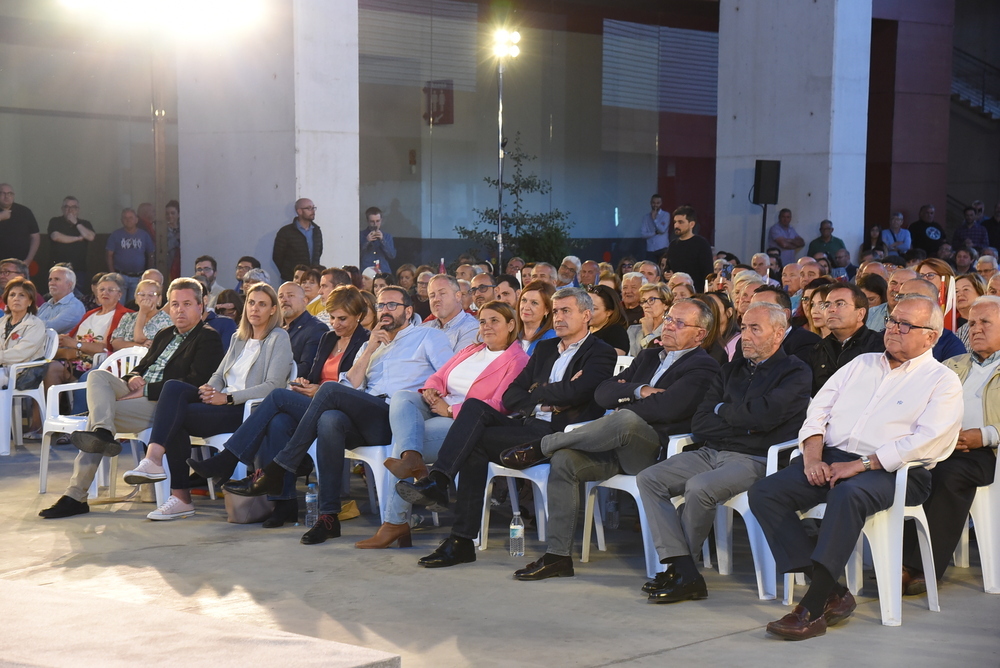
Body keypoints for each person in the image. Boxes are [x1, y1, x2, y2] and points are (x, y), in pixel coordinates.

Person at [749, 294, 963, 641]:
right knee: (765, 492)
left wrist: (863, 464)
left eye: (906, 325)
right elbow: (817, 411)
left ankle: (813, 607)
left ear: (931, 336)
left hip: (898, 471)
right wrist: (813, 456)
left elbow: (928, 441)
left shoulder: (942, 380)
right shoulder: (861, 363)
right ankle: (834, 589)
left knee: (848, 494)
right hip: (832, 458)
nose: (894, 329)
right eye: (893, 321)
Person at [214, 285, 452, 545]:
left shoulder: (427, 337)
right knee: (329, 420)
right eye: (381, 305)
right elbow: (351, 386)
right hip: (364, 416)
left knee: (319, 391)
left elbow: (446, 377)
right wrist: (370, 349)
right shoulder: (371, 344)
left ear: (408, 311)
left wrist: (435, 398)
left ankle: (276, 469)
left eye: (392, 305)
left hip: (396, 417)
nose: (384, 311)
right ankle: (328, 518)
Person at [399, 287, 618, 568]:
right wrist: (548, 395)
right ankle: (444, 492)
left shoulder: (600, 352)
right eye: (556, 311)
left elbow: (578, 393)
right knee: (476, 408)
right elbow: (512, 395)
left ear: (586, 315)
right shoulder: (546, 348)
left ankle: (458, 533)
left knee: (474, 444)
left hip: (560, 435)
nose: (559, 317)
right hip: (528, 423)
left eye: (567, 311)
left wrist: (538, 391)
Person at [504, 300, 722, 580]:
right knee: (565, 460)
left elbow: (668, 408)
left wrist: (625, 402)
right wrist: (640, 390)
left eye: (680, 323)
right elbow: (602, 392)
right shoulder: (648, 356)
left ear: (700, 335)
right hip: (614, 445)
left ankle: (542, 446)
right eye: (668, 319)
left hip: (656, 454)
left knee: (627, 419)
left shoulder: (703, 367)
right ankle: (557, 557)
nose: (668, 326)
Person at [635, 302, 811, 602]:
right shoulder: (731, 370)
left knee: (700, 487)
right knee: (649, 478)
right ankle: (683, 568)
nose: (745, 336)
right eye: (743, 328)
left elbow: (766, 418)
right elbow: (701, 422)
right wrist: (742, 420)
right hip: (710, 451)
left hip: (755, 459)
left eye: (755, 329)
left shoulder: (794, 371)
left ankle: (682, 574)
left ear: (778, 333)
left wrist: (726, 413)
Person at [39, 278, 224, 519]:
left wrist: (145, 390)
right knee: (97, 376)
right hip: (137, 393)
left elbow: (192, 383)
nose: (180, 310)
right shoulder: (165, 333)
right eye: (175, 304)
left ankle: (76, 495)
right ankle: (103, 433)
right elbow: (143, 366)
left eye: (187, 304)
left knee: (95, 421)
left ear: (202, 305)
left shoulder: (208, 337)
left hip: (165, 404)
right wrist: (133, 377)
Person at [190, 285, 370, 527]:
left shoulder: (365, 342)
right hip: (315, 402)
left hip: (340, 411)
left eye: (342, 319)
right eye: (332, 318)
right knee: (278, 422)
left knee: (275, 396)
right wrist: (307, 382)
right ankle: (284, 503)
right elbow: (314, 373)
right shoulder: (328, 338)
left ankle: (228, 458)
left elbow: (358, 387)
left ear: (358, 316)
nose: (335, 324)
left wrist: (319, 389)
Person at [360, 301, 529, 549]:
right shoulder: (471, 350)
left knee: (403, 445)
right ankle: (412, 466)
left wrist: (451, 410)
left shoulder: (517, 359)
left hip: (466, 423)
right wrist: (432, 390)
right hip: (435, 407)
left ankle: (395, 521)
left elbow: (501, 404)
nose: (487, 327)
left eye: (495, 321)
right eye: (482, 321)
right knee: (402, 397)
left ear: (511, 324)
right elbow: (440, 374)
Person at [121, 283, 293, 520]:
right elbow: (219, 375)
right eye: (251, 303)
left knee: (176, 418)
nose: (255, 309)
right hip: (221, 403)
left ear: (273, 310)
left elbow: (274, 386)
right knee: (173, 389)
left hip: (246, 410)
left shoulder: (278, 338)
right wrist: (210, 389)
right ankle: (159, 467)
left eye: (262, 304)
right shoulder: (239, 337)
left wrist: (228, 397)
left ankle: (176, 490)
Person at [901, 296, 1000, 594]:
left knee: (947, 476)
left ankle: (921, 567)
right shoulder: (951, 365)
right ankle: (898, 559)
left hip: (986, 453)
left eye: (986, 322)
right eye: (971, 323)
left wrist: (984, 435)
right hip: (942, 445)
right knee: (909, 472)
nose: (976, 329)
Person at [44, 273, 132, 391]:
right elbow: (71, 338)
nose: (105, 293)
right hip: (74, 358)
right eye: (101, 289)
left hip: (97, 363)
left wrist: (76, 345)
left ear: (119, 294)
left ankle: (51, 409)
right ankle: (49, 408)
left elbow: (107, 348)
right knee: (41, 365)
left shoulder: (125, 316)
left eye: (110, 290)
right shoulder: (90, 313)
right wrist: (63, 340)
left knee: (51, 369)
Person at [807, 283, 885, 394]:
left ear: (860, 314)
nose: (831, 309)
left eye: (840, 304)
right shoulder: (818, 349)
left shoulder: (880, 347)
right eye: (827, 304)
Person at [0, 278, 47, 390]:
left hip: (22, 372)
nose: (16, 298)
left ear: (30, 301)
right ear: (6, 300)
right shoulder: (2, 321)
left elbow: (21, 353)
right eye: (12, 295)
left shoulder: (35, 324)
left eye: (22, 295)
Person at [277, 281, 327, 376]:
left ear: (305, 301)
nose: (284, 300)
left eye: (290, 295)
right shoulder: (274, 328)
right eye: (280, 296)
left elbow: (307, 368)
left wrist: (275, 374)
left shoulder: (316, 328)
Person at [105, 208, 154, 303]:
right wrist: (113, 275)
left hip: (138, 277)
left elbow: (151, 254)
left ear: (136, 220)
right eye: (125, 218)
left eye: (131, 217)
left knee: (133, 306)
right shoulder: (116, 235)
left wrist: (146, 275)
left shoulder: (144, 235)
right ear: (121, 220)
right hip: (120, 277)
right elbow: (109, 255)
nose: (128, 220)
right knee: (119, 305)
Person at [109, 279, 173, 350]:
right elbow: (116, 342)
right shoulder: (128, 317)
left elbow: (139, 338)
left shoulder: (166, 320)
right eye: (142, 294)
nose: (146, 298)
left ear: (159, 299)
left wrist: (142, 312)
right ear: (136, 298)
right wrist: (140, 346)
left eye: (151, 295)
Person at [421, 274, 479, 351]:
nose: (436, 299)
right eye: (432, 295)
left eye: (442, 293)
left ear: (458, 296)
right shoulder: (422, 329)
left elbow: (456, 361)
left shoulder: (473, 328)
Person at [47, 196, 95, 286]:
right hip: (58, 269)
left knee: (79, 297)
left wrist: (76, 223)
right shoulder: (55, 221)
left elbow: (91, 237)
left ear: (78, 210)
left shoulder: (85, 223)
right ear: (62, 209)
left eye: (73, 207)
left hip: (79, 269)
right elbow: (56, 236)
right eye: (67, 207)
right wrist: (78, 238)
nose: (70, 210)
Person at [272, 198, 322, 282]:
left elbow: (318, 252)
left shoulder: (316, 230)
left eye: (313, 208)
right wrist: (288, 272)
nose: (313, 211)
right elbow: (277, 256)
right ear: (299, 211)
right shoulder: (286, 232)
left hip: (311, 278)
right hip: (291, 278)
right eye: (309, 208)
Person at [666, 206, 713, 284]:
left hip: (696, 292)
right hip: (676, 291)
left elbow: (708, 274)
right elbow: (668, 268)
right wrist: (667, 274)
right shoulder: (673, 245)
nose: (676, 226)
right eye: (675, 222)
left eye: (680, 222)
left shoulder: (701, 244)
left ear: (691, 224)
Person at [37, 266, 86, 335]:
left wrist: (28, 324)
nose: (51, 283)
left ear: (69, 284)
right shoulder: (46, 305)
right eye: (50, 279)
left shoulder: (75, 306)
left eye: (57, 279)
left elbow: (50, 328)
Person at [0, 184, 39, 268]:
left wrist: (28, 260)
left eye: (10, 193)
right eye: (3, 193)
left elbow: (35, 237)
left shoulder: (25, 212)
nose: (7, 196)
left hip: (21, 263)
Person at [628, 283, 672, 356]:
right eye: (644, 301)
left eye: (651, 300)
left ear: (665, 304)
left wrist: (648, 333)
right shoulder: (633, 330)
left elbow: (660, 358)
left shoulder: (670, 331)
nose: (645, 305)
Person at [586, 284, 630, 355]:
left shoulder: (616, 332)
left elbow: (617, 358)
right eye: (585, 306)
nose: (587, 312)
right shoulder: (580, 329)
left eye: (594, 309)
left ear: (609, 312)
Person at [518, 280, 557, 355]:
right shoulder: (511, 336)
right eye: (524, 300)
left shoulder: (551, 339)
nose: (526, 307)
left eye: (534, 303)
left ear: (547, 309)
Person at [954, 273, 986, 351]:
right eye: (956, 291)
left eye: (966, 289)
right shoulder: (948, 323)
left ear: (980, 292)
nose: (959, 294)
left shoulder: (990, 323)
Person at [360, 206, 396, 273]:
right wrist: (366, 242)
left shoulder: (387, 236)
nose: (375, 224)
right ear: (367, 221)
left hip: (383, 271)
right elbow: (358, 255)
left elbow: (392, 255)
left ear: (381, 220)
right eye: (372, 221)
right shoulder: (361, 235)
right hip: (366, 271)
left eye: (377, 221)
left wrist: (383, 240)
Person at [641, 194, 671, 261]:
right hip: (650, 249)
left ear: (661, 203)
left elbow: (662, 230)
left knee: (663, 268)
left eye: (658, 203)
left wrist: (655, 219)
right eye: (653, 203)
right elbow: (643, 234)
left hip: (662, 248)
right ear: (650, 203)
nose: (655, 205)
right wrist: (654, 233)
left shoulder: (665, 215)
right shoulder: (646, 217)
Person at [165, 200, 180, 280]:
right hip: (168, 266)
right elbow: (163, 248)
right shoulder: (161, 231)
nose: (170, 216)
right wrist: (175, 238)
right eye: (167, 213)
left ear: (179, 214)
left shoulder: (184, 228)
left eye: (173, 213)